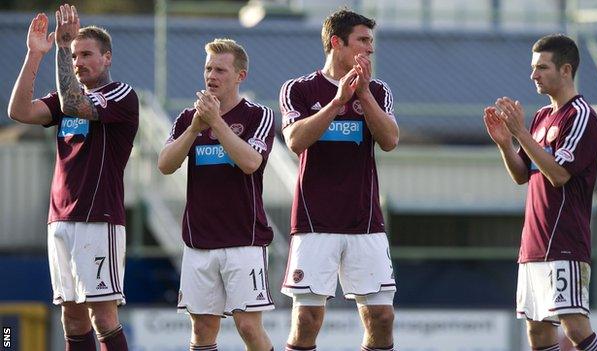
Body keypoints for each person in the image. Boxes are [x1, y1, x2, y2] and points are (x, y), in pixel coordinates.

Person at [7, 4, 137, 351]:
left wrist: (62, 48)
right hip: (59, 219)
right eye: (75, 55)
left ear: (107, 58)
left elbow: (76, 104)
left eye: (86, 54)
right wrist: (35, 55)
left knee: (103, 318)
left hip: (98, 219)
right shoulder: (63, 99)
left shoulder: (120, 94)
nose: (79, 61)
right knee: (73, 318)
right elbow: (19, 111)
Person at [278, 8, 399, 351]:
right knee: (306, 321)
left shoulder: (378, 90)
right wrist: (336, 102)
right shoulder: (298, 89)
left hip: (365, 223)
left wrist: (362, 94)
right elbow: (295, 141)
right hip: (315, 222)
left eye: (371, 42)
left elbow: (390, 141)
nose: (370, 49)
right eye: (362, 41)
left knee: (382, 318)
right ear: (336, 43)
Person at [483, 34, 597, 351]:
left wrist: (520, 133)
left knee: (575, 328)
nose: (533, 75)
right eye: (533, 67)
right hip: (533, 244)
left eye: (542, 67)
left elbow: (559, 174)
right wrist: (505, 143)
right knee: (537, 332)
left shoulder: (580, 116)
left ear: (566, 70)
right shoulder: (540, 117)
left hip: (564, 242)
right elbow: (522, 175)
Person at [158, 38, 275, 351]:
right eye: (208, 68)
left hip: (244, 240)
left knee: (249, 327)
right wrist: (196, 128)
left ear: (240, 76)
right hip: (200, 241)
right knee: (202, 331)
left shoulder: (258, 115)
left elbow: (251, 162)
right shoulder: (188, 118)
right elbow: (165, 165)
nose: (212, 75)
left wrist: (216, 123)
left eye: (221, 70)